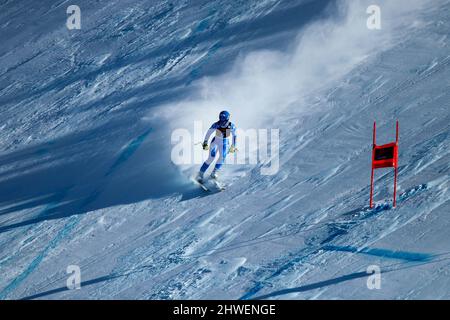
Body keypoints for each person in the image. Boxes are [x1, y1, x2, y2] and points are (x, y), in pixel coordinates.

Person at [197, 110, 237, 182]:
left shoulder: (231, 126)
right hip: (215, 141)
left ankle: (214, 172)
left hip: (225, 143)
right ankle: (200, 174)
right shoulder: (216, 124)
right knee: (211, 158)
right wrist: (205, 143)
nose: (221, 120)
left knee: (222, 157)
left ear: (227, 119)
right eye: (220, 118)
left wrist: (233, 146)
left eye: (223, 118)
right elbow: (208, 133)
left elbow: (235, 136)